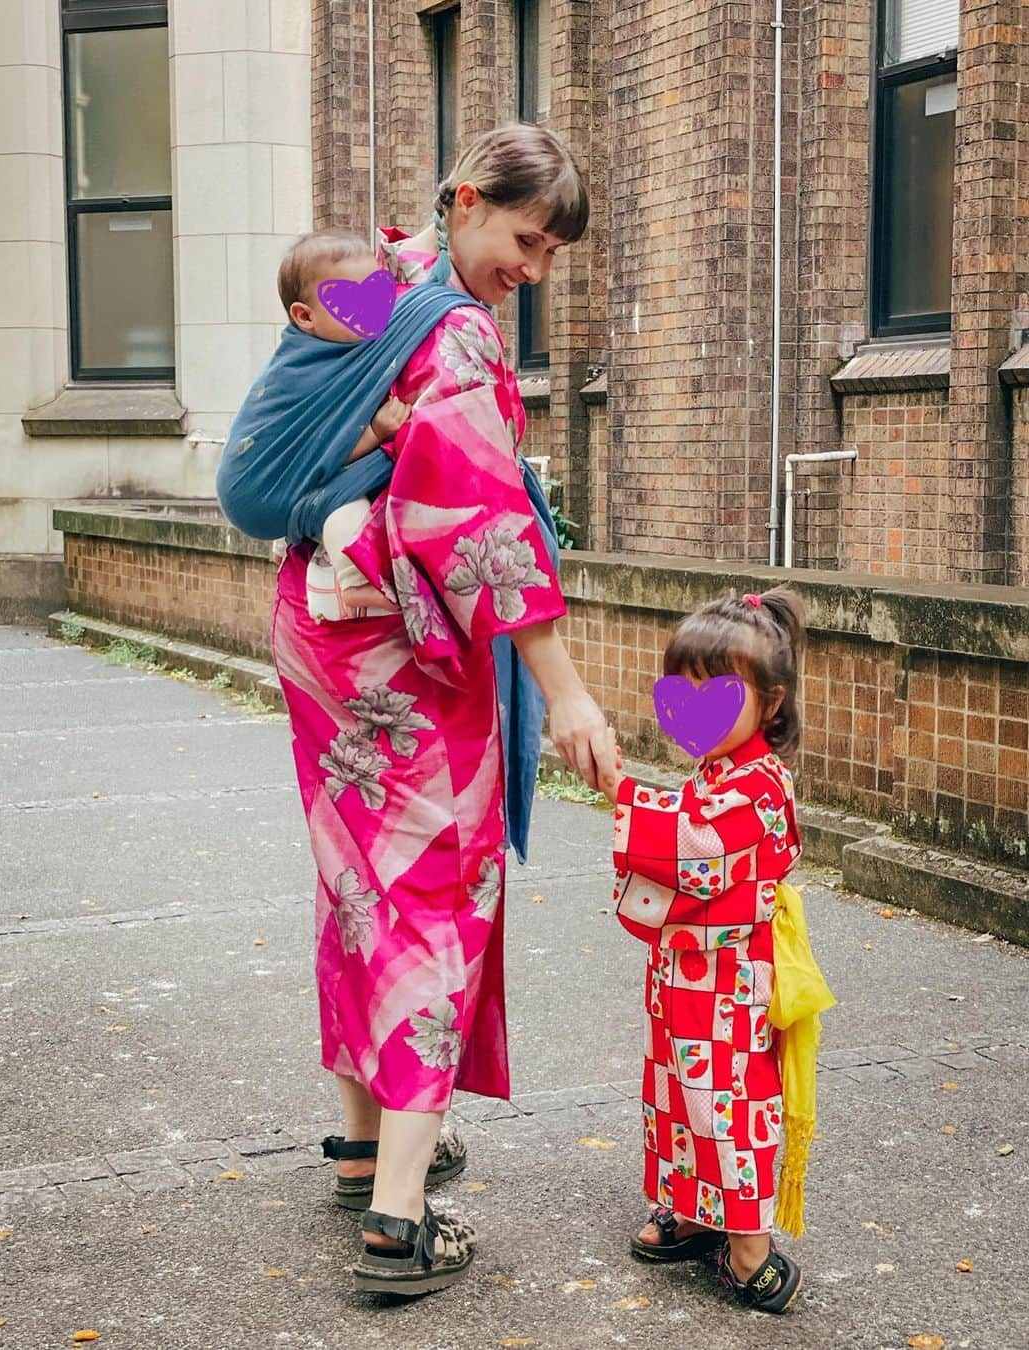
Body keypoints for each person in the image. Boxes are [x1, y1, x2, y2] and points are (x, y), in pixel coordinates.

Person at [269, 123, 617, 1296]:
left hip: (318, 630)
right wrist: (565, 691)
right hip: (409, 659)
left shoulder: (368, 276)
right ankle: (399, 1218)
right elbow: (482, 528)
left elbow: (296, 405)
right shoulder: (459, 335)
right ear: (468, 201)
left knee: (359, 882)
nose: (535, 271)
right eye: (527, 240)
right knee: (435, 898)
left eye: (553, 253)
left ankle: (365, 1144)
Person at [600, 587, 811, 1315]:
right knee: (674, 1095)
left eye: (715, 692)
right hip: (687, 976)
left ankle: (748, 1241)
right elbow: (687, 831)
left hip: (731, 985)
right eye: (681, 691)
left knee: (727, 1101)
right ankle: (690, 1209)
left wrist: (622, 791)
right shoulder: (720, 772)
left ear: (771, 702)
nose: (691, 708)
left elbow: (694, 843)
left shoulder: (760, 786)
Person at [273, 231, 411, 617]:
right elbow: (317, 453)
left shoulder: (355, 354)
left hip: (328, 488)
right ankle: (360, 586)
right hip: (319, 489)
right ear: (305, 316)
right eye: (352, 298)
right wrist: (377, 431)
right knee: (345, 518)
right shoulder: (303, 375)